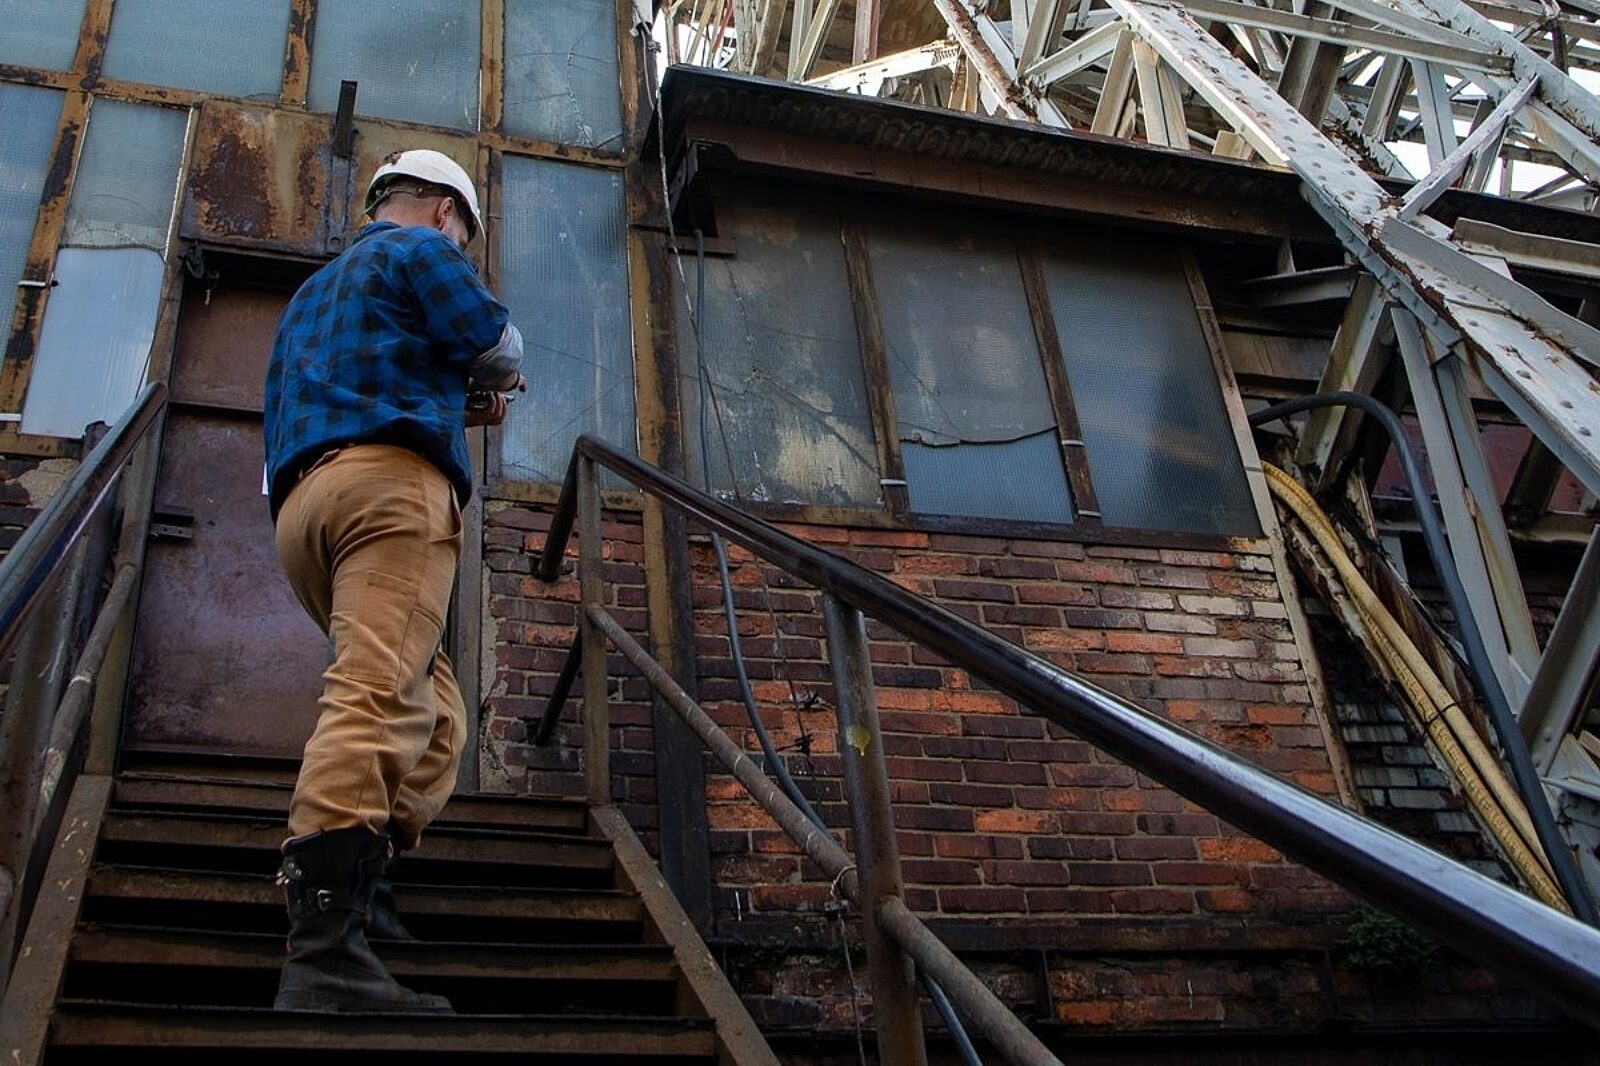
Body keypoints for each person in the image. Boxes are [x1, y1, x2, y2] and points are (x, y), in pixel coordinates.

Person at [262, 149, 525, 1014]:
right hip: (389, 492)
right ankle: (325, 952)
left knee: (436, 715)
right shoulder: (420, 248)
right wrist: (494, 374)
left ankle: (366, 893)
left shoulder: (311, 295)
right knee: (376, 696)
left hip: (306, 509)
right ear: (446, 210)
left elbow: (365, 380)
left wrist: (453, 400)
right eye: (464, 231)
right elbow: (493, 342)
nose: (460, 242)